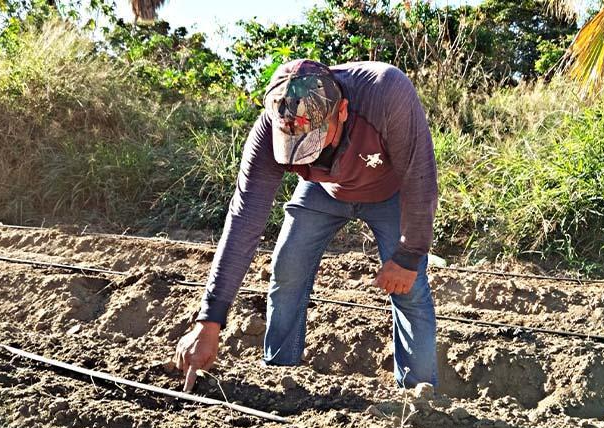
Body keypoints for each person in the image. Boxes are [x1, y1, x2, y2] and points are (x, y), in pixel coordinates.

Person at [174, 59, 438, 391]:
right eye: (294, 143)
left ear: (341, 111)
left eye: (313, 139)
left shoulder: (385, 93)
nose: (304, 153)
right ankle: (281, 375)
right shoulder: (272, 126)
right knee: (288, 269)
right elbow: (244, 218)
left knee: (409, 289)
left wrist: (408, 255)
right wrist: (209, 320)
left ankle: (420, 397)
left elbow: (421, 178)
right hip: (323, 190)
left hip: (390, 191)